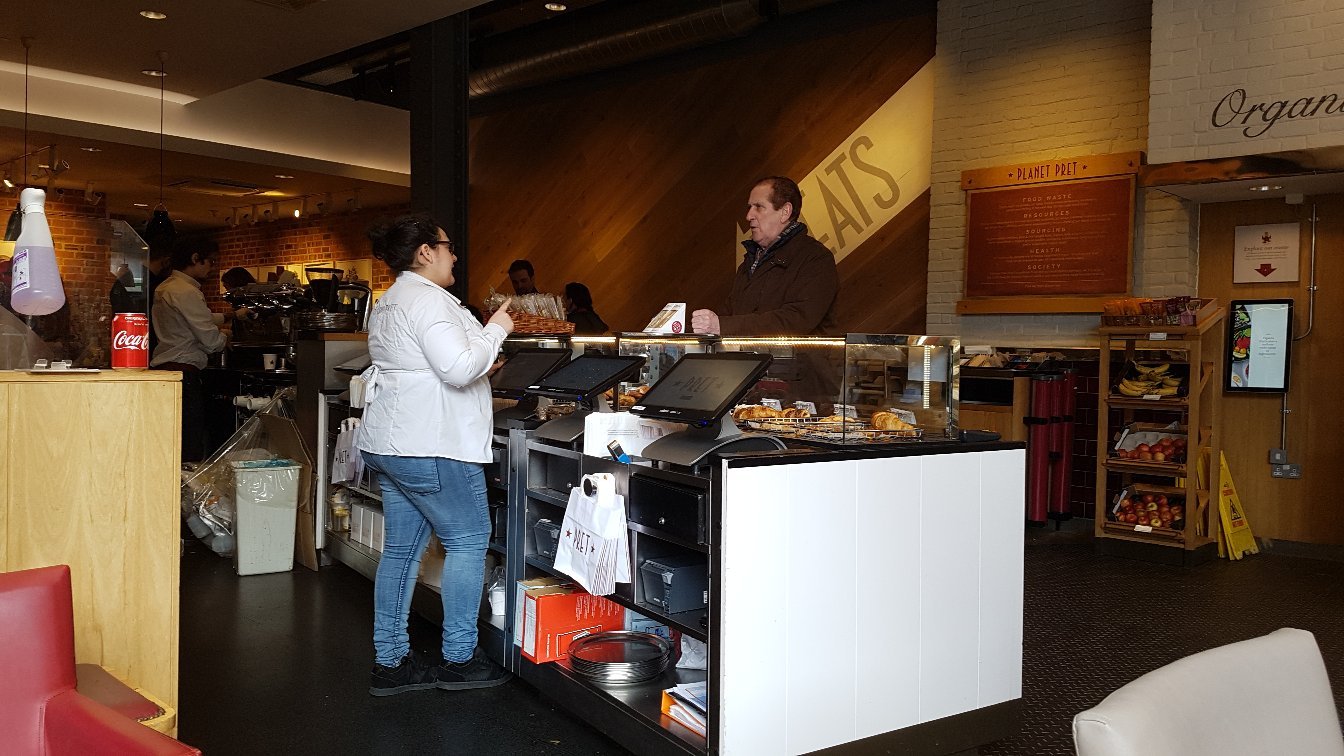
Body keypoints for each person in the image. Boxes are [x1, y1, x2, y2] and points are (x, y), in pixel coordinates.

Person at [356, 213, 516, 696]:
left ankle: (391, 663)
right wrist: (497, 329)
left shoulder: (391, 300)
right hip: (432, 443)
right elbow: (458, 367)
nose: (455, 256)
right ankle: (460, 658)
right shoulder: (427, 299)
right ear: (426, 252)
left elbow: (426, 364)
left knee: (401, 552)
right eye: (448, 247)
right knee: (468, 540)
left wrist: (480, 357)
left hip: (392, 443)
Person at [690, 176, 839, 336]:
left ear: (785, 212)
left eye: (759, 207)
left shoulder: (816, 259)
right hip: (749, 353)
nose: (749, 216)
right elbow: (729, 314)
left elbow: (796, 321)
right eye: (749, 207)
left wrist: (722, 326)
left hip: (796, 354)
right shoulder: (750, 262)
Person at [150, 238, 248, 462]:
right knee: (189, 442)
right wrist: (226, 337)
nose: (212, 267)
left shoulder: (165, 287)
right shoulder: (187, 292)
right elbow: (210, 340)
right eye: (210, 261)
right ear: (195, 258)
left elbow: (197, 319)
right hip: (185, 373)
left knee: (169, 441)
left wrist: (230, 316)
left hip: (164, 370)